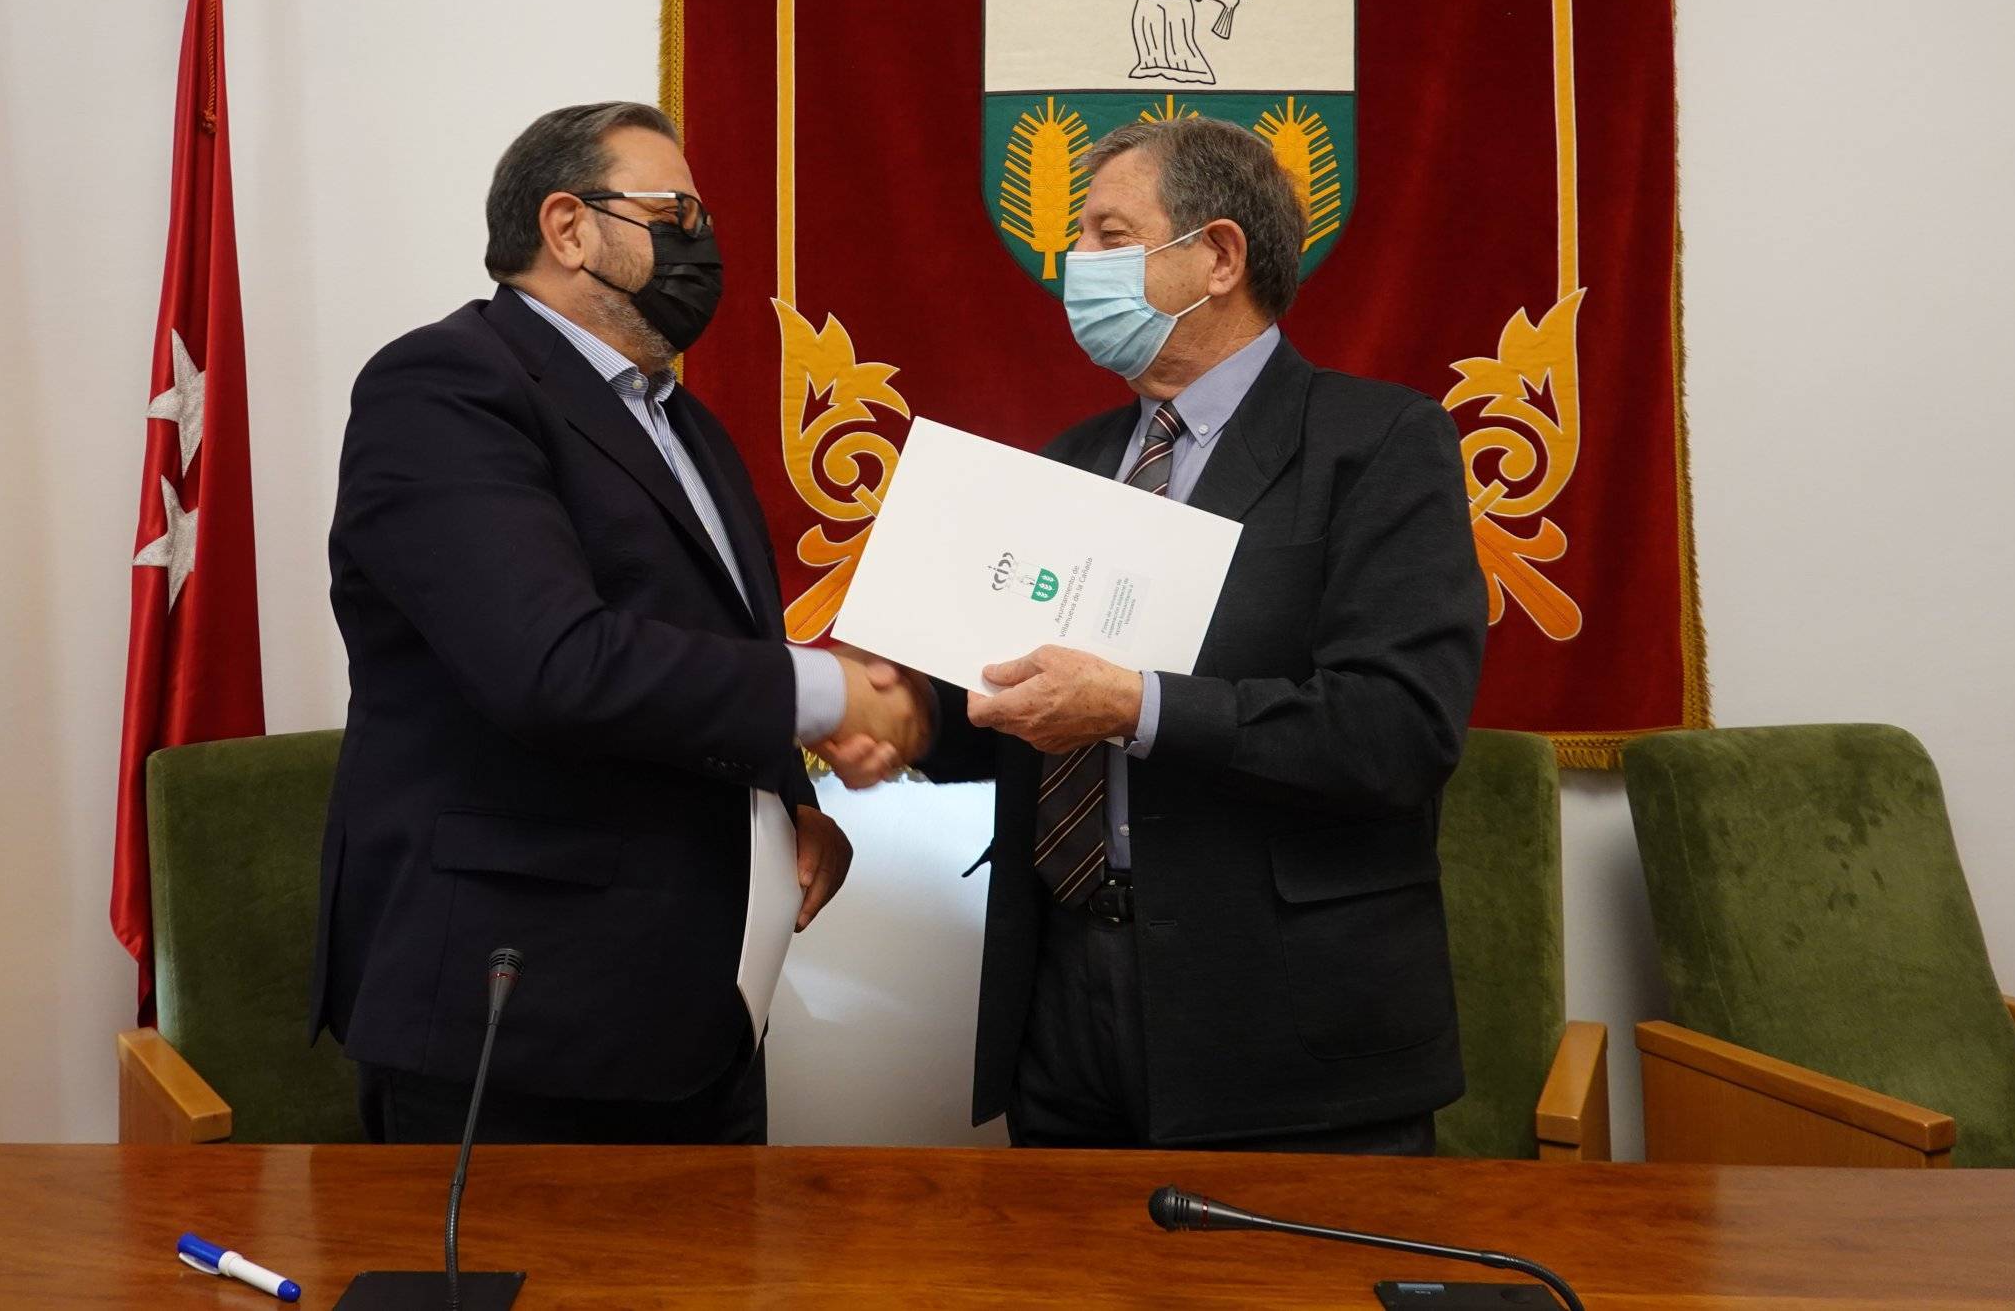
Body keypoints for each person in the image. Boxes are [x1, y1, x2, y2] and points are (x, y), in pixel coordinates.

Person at [310, 101, 927, 1146]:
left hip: (702, 1022)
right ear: (568, 227)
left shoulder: (690, 428)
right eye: (673, 212)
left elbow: (709, 651)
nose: (703, 244)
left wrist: (785, 814)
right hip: (517, 1028)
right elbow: (552, 664)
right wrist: (827, 689)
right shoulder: (446, 386)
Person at [912, 111, 1487, 1153]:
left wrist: (1138, 705)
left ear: (1217, 256)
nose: (1068, 263)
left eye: (1105, 234)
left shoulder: (1381, 443)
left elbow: (1395, 731)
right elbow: (1012, 709)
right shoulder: (1072, 460)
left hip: (1287, 1028)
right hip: (1064, 1009)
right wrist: (892, 717)